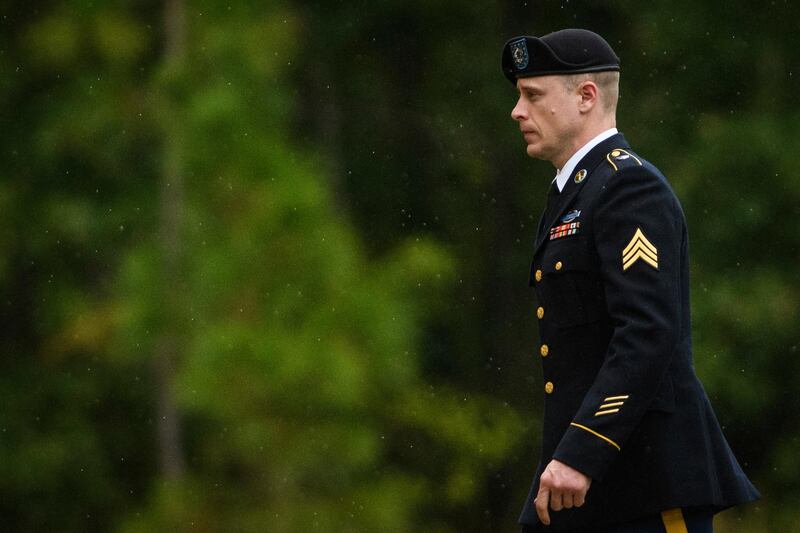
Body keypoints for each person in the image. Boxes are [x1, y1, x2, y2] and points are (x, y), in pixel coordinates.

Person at [502, 29, 759, 532]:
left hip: (644, 483)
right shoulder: (575, 192)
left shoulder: (626, 185)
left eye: (532, 95)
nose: (517, 110)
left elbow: (647, 333)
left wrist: (582, 451)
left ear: (586, 97)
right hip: (589, 489)